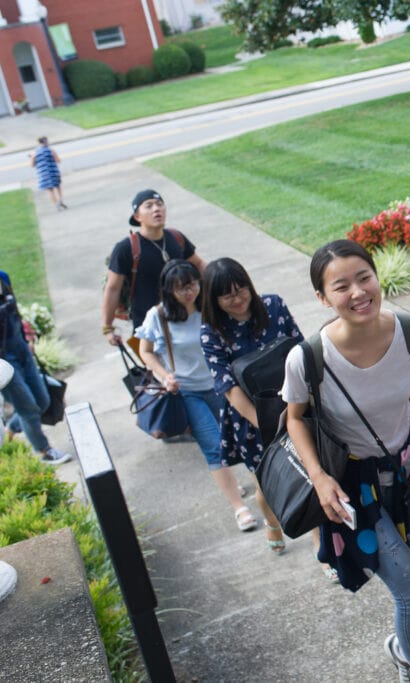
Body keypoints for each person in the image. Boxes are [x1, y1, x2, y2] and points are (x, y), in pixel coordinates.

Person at [282, 239, 410, 683]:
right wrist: (320, 477)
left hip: (408, 471)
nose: (358, 292)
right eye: (341, 286)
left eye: (364, 278)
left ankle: (403, 650)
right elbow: (295, 420)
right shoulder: (308, 358)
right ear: (323, 299)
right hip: (355, 486)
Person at [136, 260, 254, 532]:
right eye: (181, 289)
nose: (189, 292)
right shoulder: (159, 316)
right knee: (214, 447)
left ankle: (246, 488)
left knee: (241, 439)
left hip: (223, 385)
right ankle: (239, 507)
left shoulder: (210, 307)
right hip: (188, 391)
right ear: (169, 290)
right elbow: (146, 351)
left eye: (192, 285)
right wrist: (165, 376)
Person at [200, 258, 301, 554]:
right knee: (267, 483)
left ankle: (323, 548)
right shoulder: (211, 332)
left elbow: (300, 351)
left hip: (293, 400)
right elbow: (229, 390)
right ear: (214, 300)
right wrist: (270, 426)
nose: (238, 299)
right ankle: (272, 522)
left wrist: (299, 409)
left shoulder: (274, 306)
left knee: (310, 472)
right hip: (250, 417)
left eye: (241, 289)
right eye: (228, 295)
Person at [101, 189, 206, 355]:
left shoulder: (176, 238)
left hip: (186, 321)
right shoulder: (126, 248)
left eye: (159, 204)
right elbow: (112, 288)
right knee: (163, 376)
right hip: (149, 329)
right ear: (137, 217)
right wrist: (108, 327)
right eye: (148, 206)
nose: (156, 209)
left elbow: (199, 264)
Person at [0, 271, 71, 465]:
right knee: (27, 407)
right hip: (4, 363)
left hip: (21, 349)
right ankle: (43, 451)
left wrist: (26, 339)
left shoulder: (3, 278)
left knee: (42, 400)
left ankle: (12, 427)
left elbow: (14, 314)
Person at [29, 137, 67, 211]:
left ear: (39, 143)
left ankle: (56, 205)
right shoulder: (51, 150)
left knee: (50, 190)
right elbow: (58, 161)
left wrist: (32, 158)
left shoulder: (35, 153)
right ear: (46, 142)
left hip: (43, 174)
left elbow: (32, 165)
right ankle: (60, 200)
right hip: (53, 171)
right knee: (58, 186)